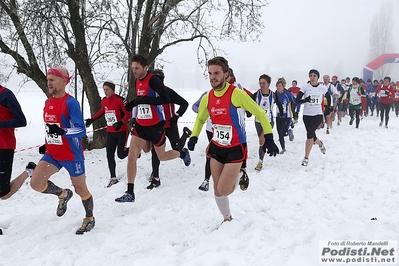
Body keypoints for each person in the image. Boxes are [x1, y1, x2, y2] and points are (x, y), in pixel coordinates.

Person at [187, 56, 279, 223]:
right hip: (216, 146)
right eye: (210, 73)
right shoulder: (208, 97)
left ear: (226, 74)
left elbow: (260, 113)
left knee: (224, 189)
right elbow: (200, 119)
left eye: (216, 73)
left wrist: (269, 136)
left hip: (235, 147)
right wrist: (194, 136)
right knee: (216, 189)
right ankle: (227, 218)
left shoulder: (237, 94)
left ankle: (240, 172)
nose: (213, 77)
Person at [116, 54, 191, 202]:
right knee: (132, 156)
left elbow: (165, 99)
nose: (134, 71)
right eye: (132, 68)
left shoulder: (154, 80)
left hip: (156, 126)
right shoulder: (137, 81)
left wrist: (144, 100)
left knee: (162, 156)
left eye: (137, 68)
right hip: (141, 127)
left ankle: (181, 153)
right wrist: (132, 105)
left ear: (145, 68)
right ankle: (130, 192)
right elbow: (141, 101)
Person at [30, 67, 95, 235]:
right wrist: (47, 143)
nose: (48, 82)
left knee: (81, 189)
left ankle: (89, 218)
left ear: (64, 81)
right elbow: (50, 128)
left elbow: (81, 130)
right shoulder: (48, 102)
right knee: (35, 184)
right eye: (48, 79)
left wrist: (63, 132)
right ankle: (63, 194)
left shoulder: (70, 102)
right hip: (53, 153)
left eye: (52, 79)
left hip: (72, 155)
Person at [147, 69, 190, 189]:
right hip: (157, 127)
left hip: (170, 125)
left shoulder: (168, 91)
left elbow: (184, 103)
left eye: (159, 78)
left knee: (177, 149)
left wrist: (176, 116)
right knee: (155, 152)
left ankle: (185, 137)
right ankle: (155, 177)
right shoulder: (149, 92)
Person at [85, 81, 131, 187]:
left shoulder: (120, 100)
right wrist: (92, 119)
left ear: (112, 89)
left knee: (121, 154)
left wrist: (121, 122)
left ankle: (133, 151)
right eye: (104, 89)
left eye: (107, 89)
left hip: (122, 131)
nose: (105, 91)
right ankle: (113, 177)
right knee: (109, 155)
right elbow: (102, 111)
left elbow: (128, 114)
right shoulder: (104, 100)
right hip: (110, 132)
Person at [0, 85, 36, 202]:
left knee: (3, 193)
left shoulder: (5, 95)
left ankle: (29, 171)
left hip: (4, 146)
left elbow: (21, 120)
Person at [247, 74, 282, 171]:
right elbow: (249, 103)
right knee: (261, 141)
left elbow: (279, 104)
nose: (261, 85)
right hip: (258, 121)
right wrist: (248, 112)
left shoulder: (273, 95)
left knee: (262, 140)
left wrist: (282, 114)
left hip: (269, 121)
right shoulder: (256, 95)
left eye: (264, 83)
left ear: (269, 84)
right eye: (260, 83)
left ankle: (260, 161)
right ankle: (262, 155)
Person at [295, 69, 328, 167]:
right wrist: (305, 100)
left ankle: (306, 158)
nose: (312, 77)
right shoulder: (305, 87)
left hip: (317, 114)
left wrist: (329, 107)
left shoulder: (322, 87)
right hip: (307, 115)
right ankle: (320, 143)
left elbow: (328, 96)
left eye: (314, 76)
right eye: (311, 75)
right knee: (311, 134)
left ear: (318, 77)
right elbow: (297, 100)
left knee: (309, 134)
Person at [274, 77, 296, 154]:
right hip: (278, 116)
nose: (278, 88)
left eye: (279, 86)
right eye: (277, 86)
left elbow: (295, 101)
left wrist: (295, 112)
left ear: (283, 86)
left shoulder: (288, 94)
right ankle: (283, 148)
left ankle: (289, 132)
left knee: (282, 133)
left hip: (287, 117)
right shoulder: (275, 94)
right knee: (279, 133)